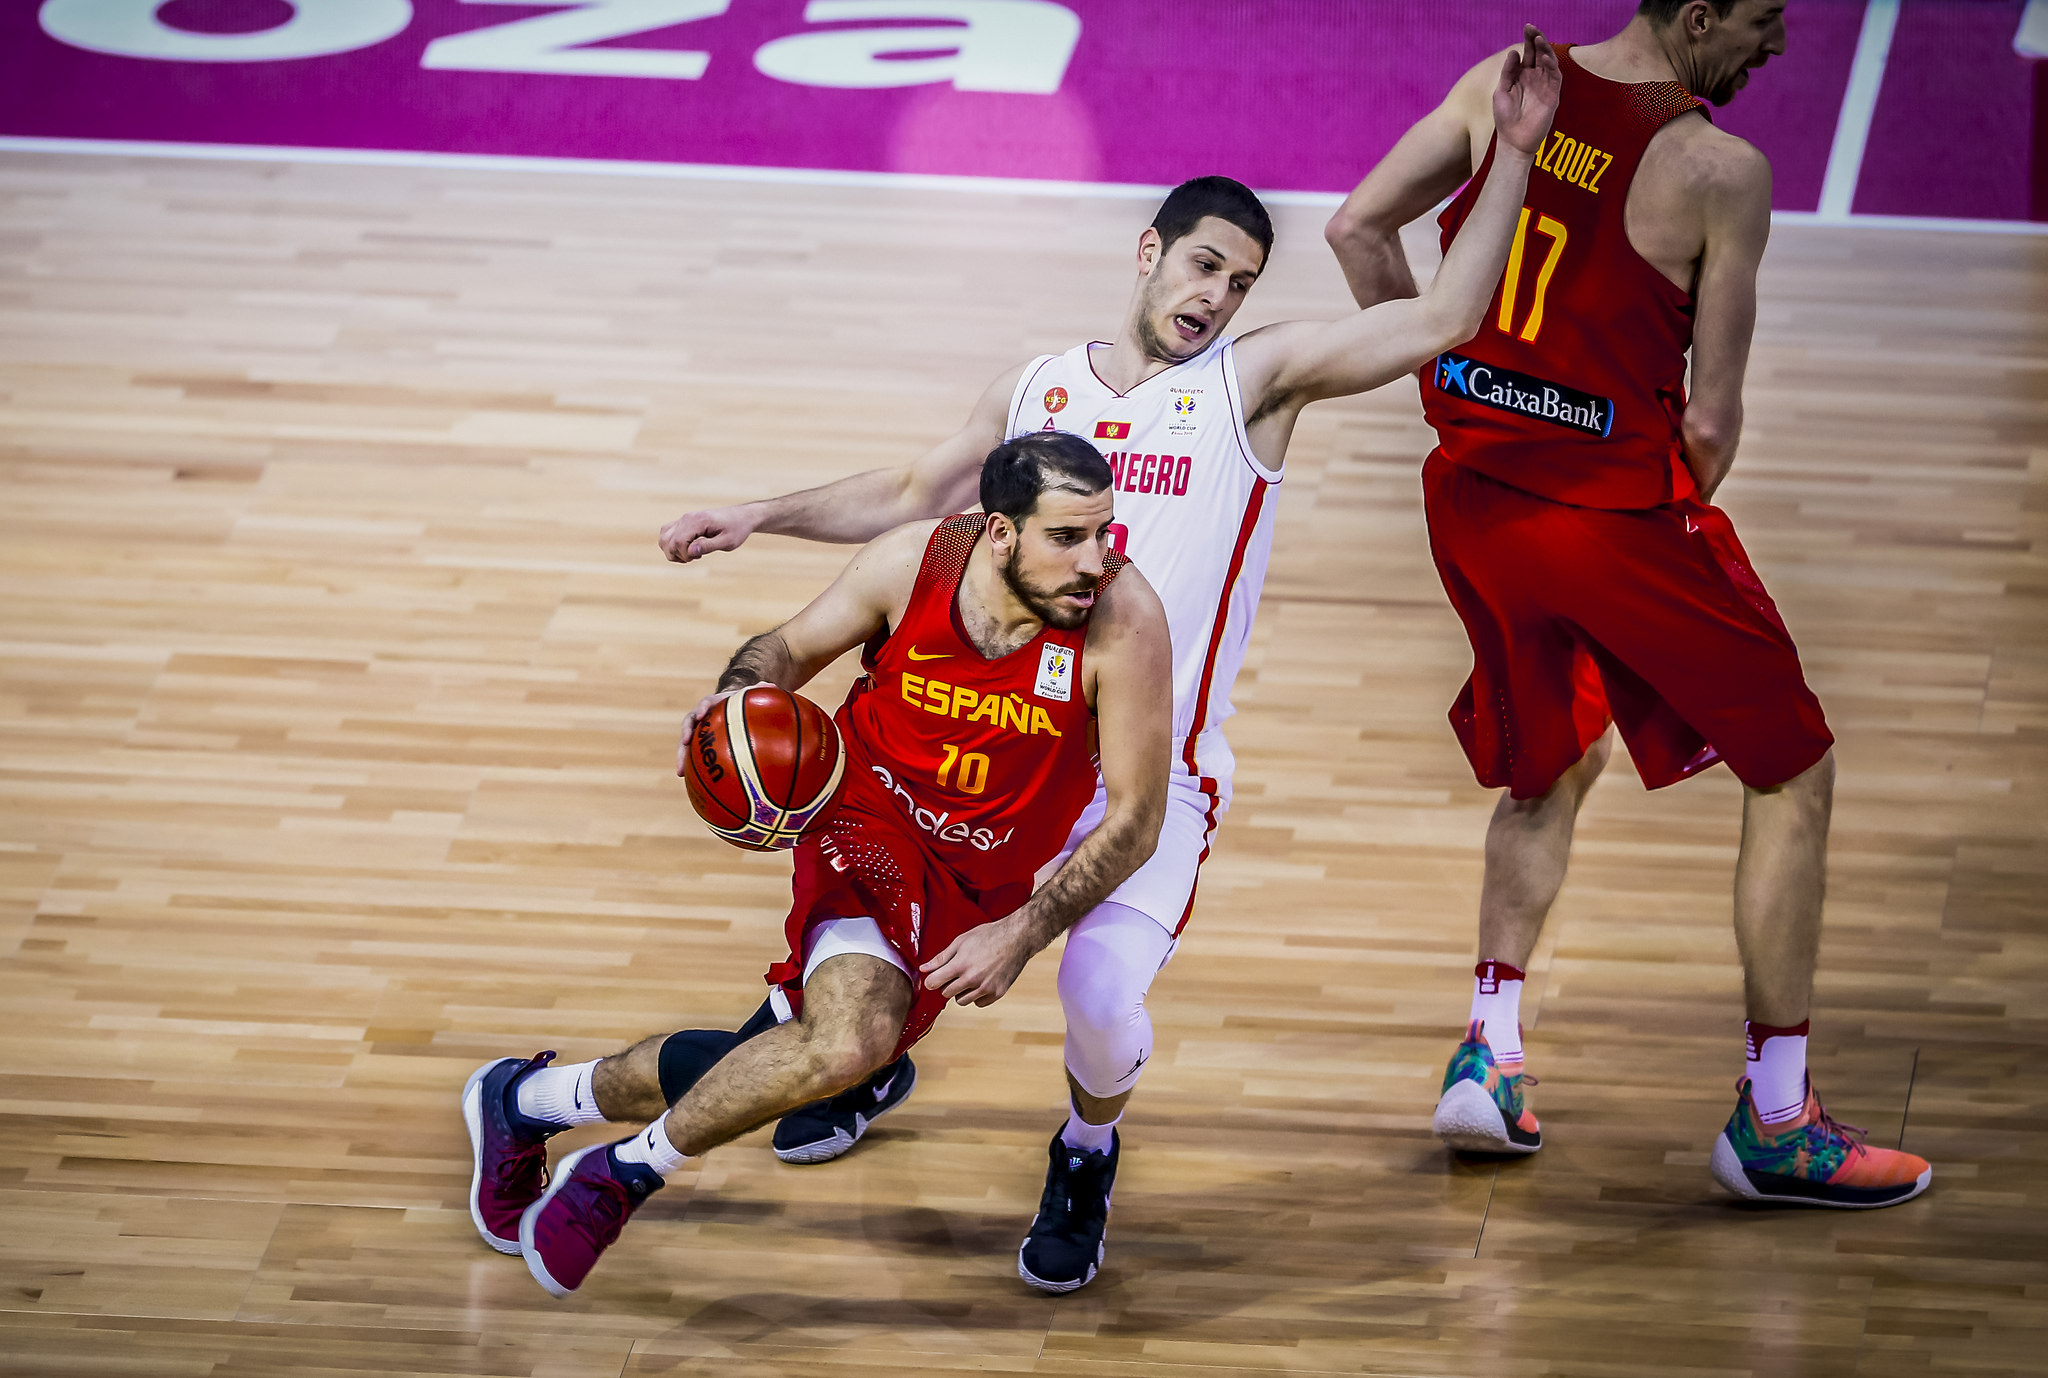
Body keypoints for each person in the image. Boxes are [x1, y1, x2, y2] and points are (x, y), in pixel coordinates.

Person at [650, 30, 1562, 1290]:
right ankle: (866, 1060)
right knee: (861, 973)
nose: (1213, 296)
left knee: (1097, 997)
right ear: (1147, 251)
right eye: (1200, 265)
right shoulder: (1037, 386)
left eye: (1238, 281)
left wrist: (1509, 153)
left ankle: (1084, 1144)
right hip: (1010, 756)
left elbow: (1445, 315)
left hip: (1149, 778)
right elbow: (912, 490)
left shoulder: (1254, 384)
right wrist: (759, 513)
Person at [1322, 0, 1930, 1208]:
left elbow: (1354, 230)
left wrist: (1453, 394)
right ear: (1694, 14)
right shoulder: (1717, 169)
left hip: (1472, 499)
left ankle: (1487, 1051)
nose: (1776, 44)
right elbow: (1708, 421)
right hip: (1608, 520)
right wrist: (1644, 507)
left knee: (1552, 758)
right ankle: (1776, 1118)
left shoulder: (1507, 80)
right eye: (1760, 20)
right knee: (1791, 767)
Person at [463, 432, 1173, 1296]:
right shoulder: (914, 565)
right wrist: (737, 693)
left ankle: (523, 1102)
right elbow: (785, 649)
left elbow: (1137, 820)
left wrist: (1021, 932)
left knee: (787, 1060)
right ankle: (623, 1176)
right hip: (861, 821)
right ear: (997, 532)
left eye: (1106, 534)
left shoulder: (1124, 624)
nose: (1096, 560)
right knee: (850, 1039)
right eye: (1068, 537)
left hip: (975, 882)